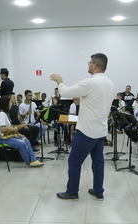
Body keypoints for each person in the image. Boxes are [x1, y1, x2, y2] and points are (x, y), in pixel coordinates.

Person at [50, 53, 115, 201]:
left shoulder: (90, 82)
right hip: (100, 130)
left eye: (89, 63)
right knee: (98, 162)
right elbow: (99, 103)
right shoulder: (110, 84)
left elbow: (65, 92)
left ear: (95, 65)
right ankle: (98, 190)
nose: (88, 65)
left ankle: (72, 191)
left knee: (74, 161)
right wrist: (83, 102)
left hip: (86, 131)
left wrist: (59, 81)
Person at [0, 96, 43, 167]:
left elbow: (9, 126)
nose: (11, 104)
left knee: (25, 139)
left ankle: (33, 159)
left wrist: (17, 133)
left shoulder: (5, 113)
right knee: (22, 144)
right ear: (5, 104)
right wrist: (14, 129)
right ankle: (29, 161)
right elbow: (3, 129)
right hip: (0, 137)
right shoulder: (1, 114)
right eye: (10, 103)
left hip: (5, 135)